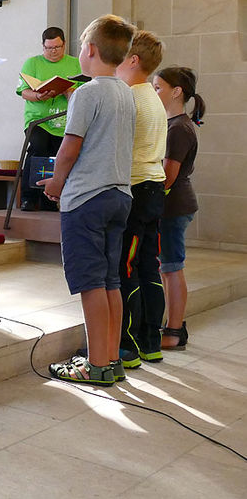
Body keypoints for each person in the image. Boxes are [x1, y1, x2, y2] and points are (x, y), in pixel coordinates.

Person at [39, 15, 135, 386]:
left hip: (87, 199)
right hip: (118, 195)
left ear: (90, 50)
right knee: (111, 281)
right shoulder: (125, 91)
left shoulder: (87, 92)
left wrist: (57, 183)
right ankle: (111, 359)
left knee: (90, 283)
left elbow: (70, 146)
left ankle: (95, 364)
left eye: (80, 46)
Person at [114, 30, 167, 368]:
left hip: (135, 188)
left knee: (126, 267)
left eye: (119, 54)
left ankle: (128, 346)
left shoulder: (131, 98)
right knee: (148, 266)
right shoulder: (152, 96)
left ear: (133, 60)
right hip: (153, 188)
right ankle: (151, 343)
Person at [152, 66, 206, 352]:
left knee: (172, 268)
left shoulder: (178, 128)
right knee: (168, 268)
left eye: (158, 87)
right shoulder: (174, 123)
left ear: (177, 92)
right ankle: (171, 325)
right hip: (173, 205)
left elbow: (167, 175)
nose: (153, 92)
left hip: (173, 206)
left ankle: (174, 330)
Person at [16, 27, 81, 211]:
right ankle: (28, 197)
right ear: (43, 46)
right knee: (38, 148)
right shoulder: (32, 63)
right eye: (48, 48)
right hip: (38, 120)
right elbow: (23, 92)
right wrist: (38, 96)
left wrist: (68, 91)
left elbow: (83, 92)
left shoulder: (75, 64)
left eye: (57, 47)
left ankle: (50, 198)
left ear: (64, 45)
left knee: (58, 155)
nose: (53, 51)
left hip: (64, 120)